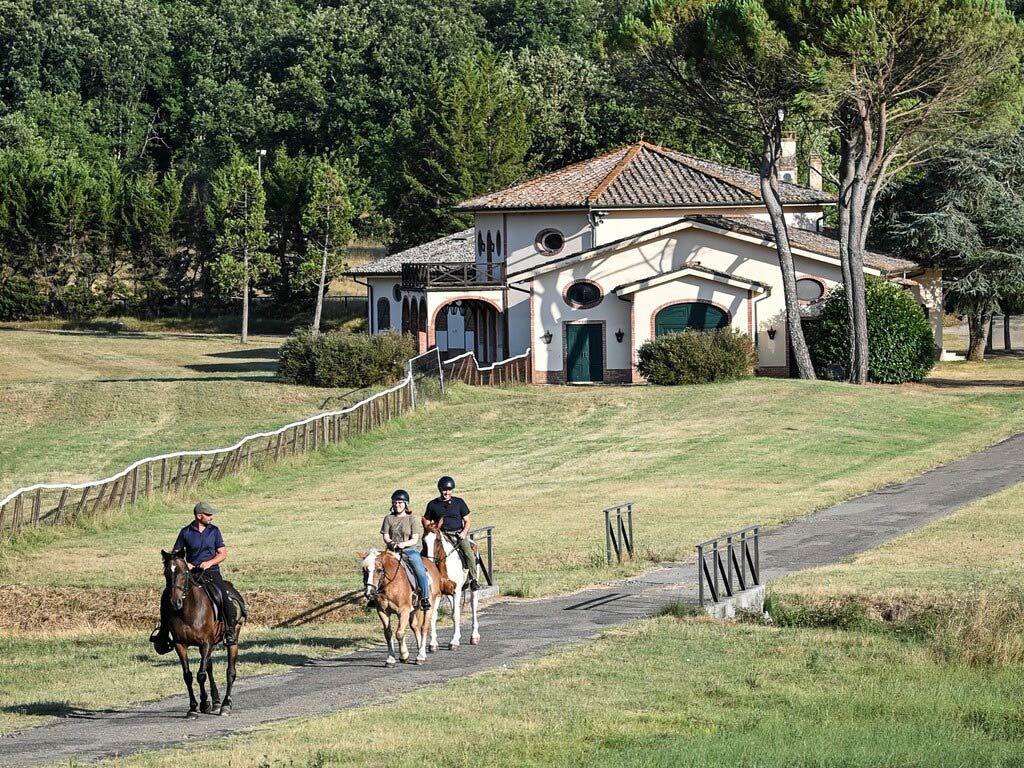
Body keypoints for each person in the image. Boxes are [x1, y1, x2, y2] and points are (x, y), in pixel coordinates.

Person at [158, 500, 241, 646]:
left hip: (211, 572)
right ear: (199, 516)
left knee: (224, 597)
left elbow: (222, 553)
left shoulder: (214, 531)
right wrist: (186, 565)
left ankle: (229, 631)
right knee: (167, 596)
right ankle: (164, 633)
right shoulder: (186, 532)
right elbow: (175, 555)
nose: (211, 517)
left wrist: (209, 563)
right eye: (208, 515)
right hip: (191, 574)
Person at [423, 475, 479, 591]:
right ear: (440, 490)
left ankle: (473, 579)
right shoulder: (432, 504)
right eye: (444, 489)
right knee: (424, 554)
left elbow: (467, 521)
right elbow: (426, 521)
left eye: (449, 490)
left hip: (457, 533)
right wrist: (430, 530)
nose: (446, 492)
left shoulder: (459, 502)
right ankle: (425, 579)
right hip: (441, 535)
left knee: (468, 552)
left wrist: (463, 533)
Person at [381, 489, 432, 610]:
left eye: (400, 502)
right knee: (375, 565)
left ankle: (424, 597)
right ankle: (375, 596)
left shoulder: (412, 519)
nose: (397, 505)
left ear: (406, 504)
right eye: (395, 502)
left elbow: (414, 539)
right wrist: (391, 542)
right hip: (391, 551)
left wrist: (403, 544)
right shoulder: (388, 518)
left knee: (419, 567)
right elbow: (385, 536)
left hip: (409, 550)